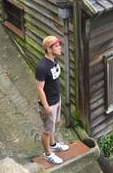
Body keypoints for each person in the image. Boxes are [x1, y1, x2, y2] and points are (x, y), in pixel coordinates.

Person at [36, 35, 69, 164]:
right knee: (47, 130)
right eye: (56, 46)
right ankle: (48, 153)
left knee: (55, 123)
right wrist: (46, 106)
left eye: (58, 45)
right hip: (48, 104)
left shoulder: (54, 60)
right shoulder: (42, 67)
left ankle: (54, 144)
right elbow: (39, 89)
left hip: (56, 99)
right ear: (49, 49)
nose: (59, 47)